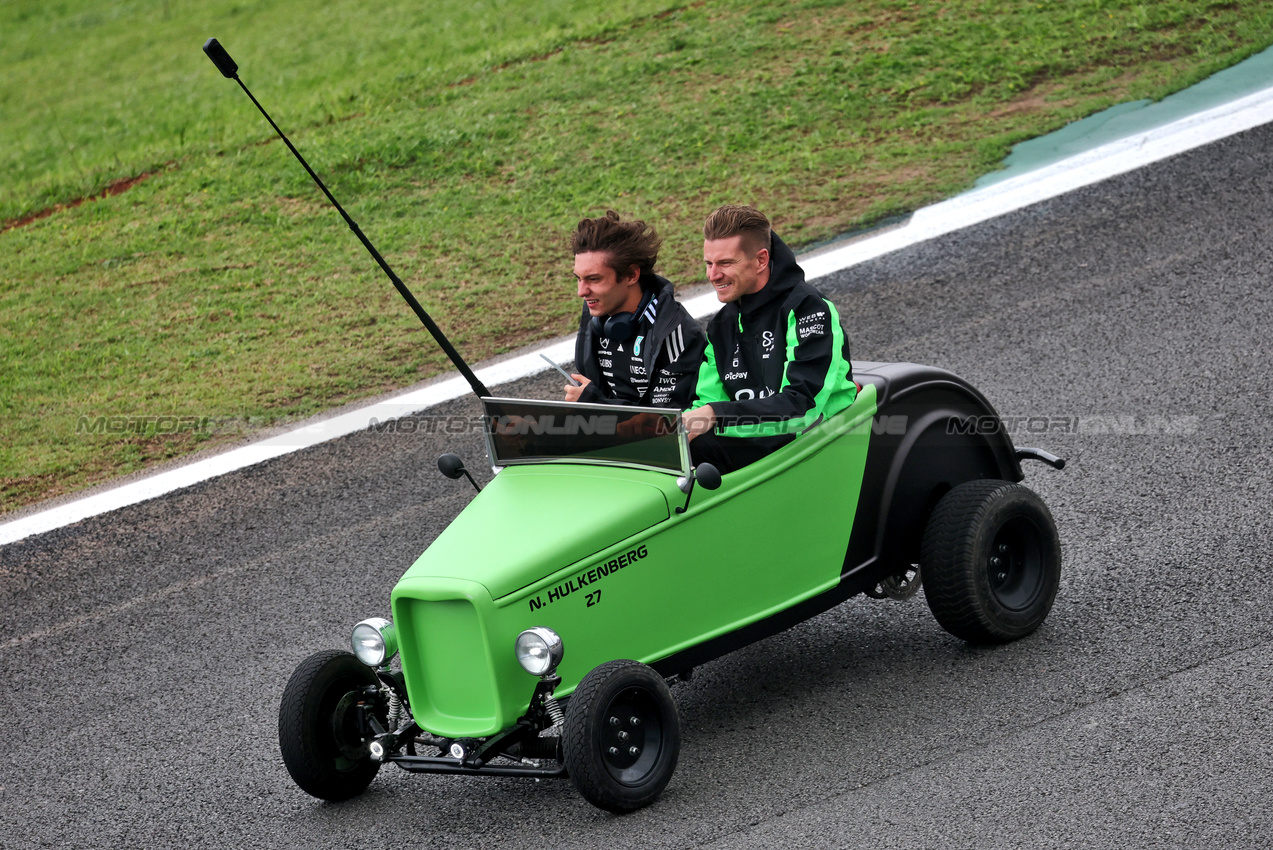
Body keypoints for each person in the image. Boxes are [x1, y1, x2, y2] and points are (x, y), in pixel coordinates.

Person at [682, 205, 856, 473]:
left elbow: (802, 409)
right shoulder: (721, 325)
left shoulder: (809, 308)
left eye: (726, 263)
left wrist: (716, 415)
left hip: (812, 445)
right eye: (709, 263)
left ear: (761, 260)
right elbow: (704, 405)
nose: (713, 275)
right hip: (756, 442)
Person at [565, 211, 706, 409]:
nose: (582, 291)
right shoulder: (596, 319)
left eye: (594, 279)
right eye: (578, 278)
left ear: (631, 275)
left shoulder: (676, 334)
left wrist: (597, 405)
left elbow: (668, 424)